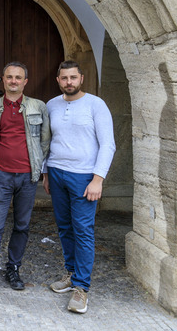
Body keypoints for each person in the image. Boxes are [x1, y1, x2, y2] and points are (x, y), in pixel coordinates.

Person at [0, 62, 50, 300]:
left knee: (22, 226)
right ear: (3, 80)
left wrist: (38, 169)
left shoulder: (38, 107)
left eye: (18, 77)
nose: (13, 81)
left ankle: (13, 269)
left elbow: (45, 141)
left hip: (27, 178)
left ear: (25, 81)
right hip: (1, 177)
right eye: (9, 77)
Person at [43, 60, 116, 314]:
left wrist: (98, 178)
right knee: (64, 227)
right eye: (64, 78)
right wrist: (45, 172)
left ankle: (82, 288)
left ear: (81, 78)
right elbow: (47, 141)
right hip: (57, 172)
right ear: (58, 80)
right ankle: (71, 274)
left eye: (73, 77)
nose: (69, 82)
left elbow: (108, 144)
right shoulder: (52, 105)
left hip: (84, 176)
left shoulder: (96, 104)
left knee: (83, 229)